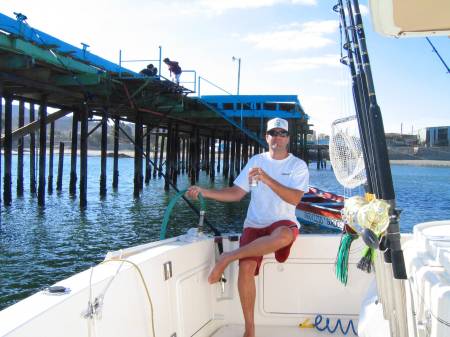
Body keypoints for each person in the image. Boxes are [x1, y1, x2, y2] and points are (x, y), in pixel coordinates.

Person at [186, 117, 309, 337]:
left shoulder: (297, 165)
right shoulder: (255, 162)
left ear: (288, 138)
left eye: (282, 134)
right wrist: (205, 191)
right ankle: (249, 329)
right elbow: (236, 193)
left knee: (283, 236)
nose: (277, 138)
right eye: (273, 133)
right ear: (266, 137)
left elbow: (295, 199)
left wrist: (268, 179)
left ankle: (227, 257)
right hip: (254, 223)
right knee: (246, 269)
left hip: (282, 222)